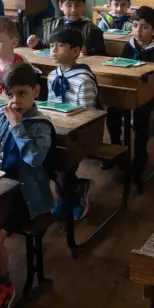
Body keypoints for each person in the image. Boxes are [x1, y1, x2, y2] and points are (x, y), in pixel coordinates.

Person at [0, 63, 55, 308]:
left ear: (36, 92)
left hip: (25, 198)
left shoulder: (40, 125)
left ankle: (3, 284)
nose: (15, 101)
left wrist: (18, 126)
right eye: (9, 94)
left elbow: (34, 159)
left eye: (22, 94)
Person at [106, 7, 154, 185]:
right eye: (135, 26)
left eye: (144, 27)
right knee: (112, 109)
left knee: (142, 113)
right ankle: (116, 148)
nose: (138, 31)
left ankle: (140, 155)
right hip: (131, 89)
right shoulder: (129, 45)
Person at [47, 28, 99, 221]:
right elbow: (52, 107)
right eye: (52, 46)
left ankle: (73, 198)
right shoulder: (53, 76)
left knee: (61, 159)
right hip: (60, 129)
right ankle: (73, 189)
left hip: (81, 132)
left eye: (60, 46)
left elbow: (87, 115)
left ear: (76, 51)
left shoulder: (83, 79)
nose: (53, 50)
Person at [26, 0, 105, 56]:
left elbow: (101, 53)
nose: (73, 10)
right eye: (69, 5)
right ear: (60, 6)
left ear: (84, 5)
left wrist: (88, 51)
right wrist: (36, 44)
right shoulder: (48, 26)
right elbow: (45, 47)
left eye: (77, 5)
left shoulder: (93, 30)